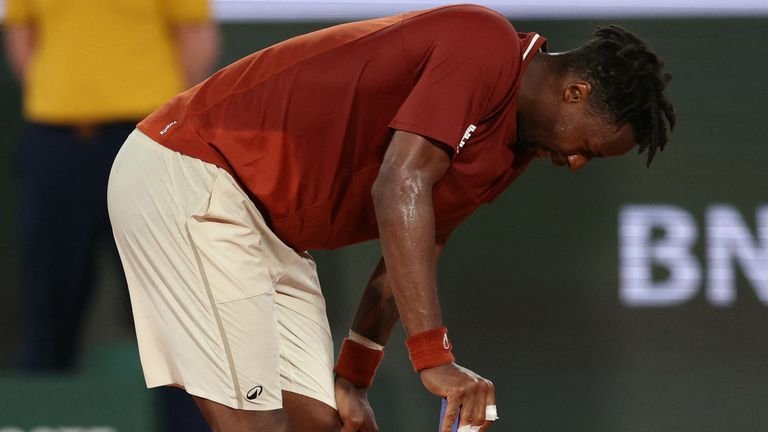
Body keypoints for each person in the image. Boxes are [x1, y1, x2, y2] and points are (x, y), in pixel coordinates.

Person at [106, 4, 675, 432]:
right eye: (589, 149)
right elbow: (399, 184)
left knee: (327, 423)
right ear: (575, 92)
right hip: (193, 170)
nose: (576, 164)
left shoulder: (510, 151)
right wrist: (434, 360)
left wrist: (354, 375)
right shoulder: (482, 41)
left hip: (269, 227)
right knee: (258, 424)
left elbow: (419, 241)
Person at [3, 0, 219, 430]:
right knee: (49, 300)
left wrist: (166, 120)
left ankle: (190, 425)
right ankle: (38, 421)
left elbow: (195, 36)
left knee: (168, 300)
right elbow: (22, 35)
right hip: (58, 143)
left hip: (147, 140)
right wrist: (61, 95)